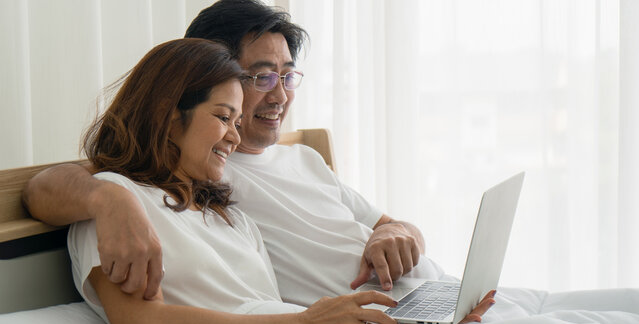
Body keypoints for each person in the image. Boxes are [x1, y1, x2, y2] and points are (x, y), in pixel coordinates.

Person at [68, 38, 494, 324]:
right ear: (166, 113)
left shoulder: (229, 217)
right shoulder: (113, 203)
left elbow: (267, 312)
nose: (234, 137)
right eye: (222, 117)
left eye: (236, 120)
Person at [24, 0, 441, 306]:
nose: (280, 95)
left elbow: (392, 223)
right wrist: (109, 199)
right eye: (261, 76)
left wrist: (396, 232)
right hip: (383, 319)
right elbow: (49, 186)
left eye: (287, 75)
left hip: (431, 293)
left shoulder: (303, 159)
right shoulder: (201, 167)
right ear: (208, 68)